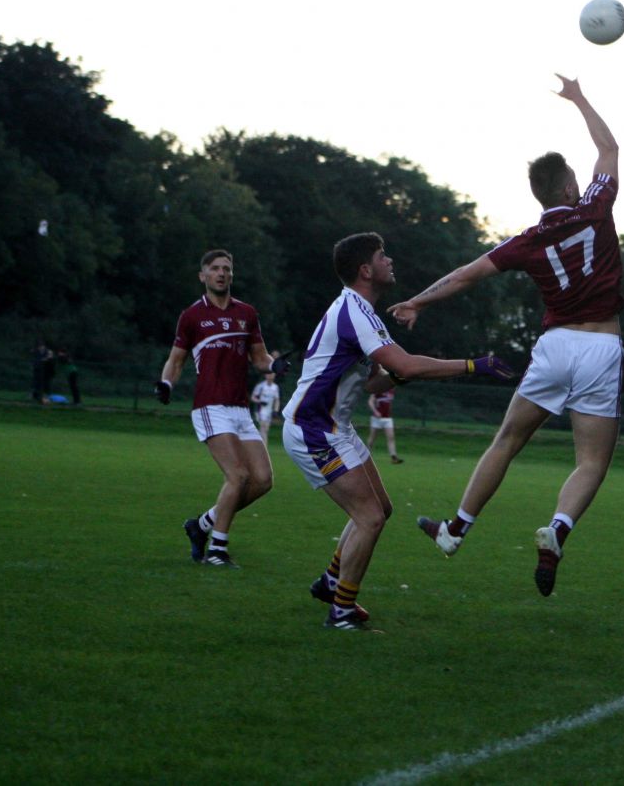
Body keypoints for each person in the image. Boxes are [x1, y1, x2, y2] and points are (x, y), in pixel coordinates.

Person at [389, 74, 622, 597]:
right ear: (568, 187)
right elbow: (608, 146)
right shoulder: (596, 207)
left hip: (555, 345)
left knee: (507, 441)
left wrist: (417, 301)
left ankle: (456, 531)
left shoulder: (527, 241)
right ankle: (557, 530)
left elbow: (465, 275)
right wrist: (579, 98)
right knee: (590, 461)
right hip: (601, 347)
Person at [282, 232, 515, 630]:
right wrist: (474, 365)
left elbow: (377, 381)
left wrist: (405, 375)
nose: (390, 261)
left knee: (379, 510)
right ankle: (340, 611)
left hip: (334, 426)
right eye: (382, 256)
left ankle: (331, 582)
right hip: (314, 428)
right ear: (365, 270)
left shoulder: (360, 311)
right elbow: (404, 366)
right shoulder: (354, 311)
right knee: (369, 517)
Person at [159, 249, 288, 568]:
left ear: (232, 275)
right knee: (239, 475)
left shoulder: (247, 313)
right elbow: (176, 361)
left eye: (226, 269)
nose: (221, 273)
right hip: (209, 406)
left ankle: (201, 525)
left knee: (262, 480)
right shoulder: (191, 316)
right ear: (203, 276)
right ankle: (217, 548)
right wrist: (166, 384)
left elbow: (259, 359)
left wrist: (275, 365)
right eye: (215, 269)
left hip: (240, 410)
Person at [366, 388, 403, 464]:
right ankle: (366, 456)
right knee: (372, 438)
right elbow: (370, 401)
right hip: (377, 418)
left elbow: (388, 404)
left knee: (391, 437)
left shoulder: (391, 391)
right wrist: (375, 411)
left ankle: (394, 457)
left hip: (387, 418)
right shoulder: (378, 388)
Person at [250, 370, 281, 445]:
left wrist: (275, 411)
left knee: (265, 430)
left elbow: (277, 400)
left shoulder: (275, 387)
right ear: (265, 375)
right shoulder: (260, 386)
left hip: (269, 411)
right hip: (260, 410)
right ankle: (264, 447)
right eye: (269, 374)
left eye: (272, 374)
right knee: (263, 428)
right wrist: (260, 401)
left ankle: (258, 445)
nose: (270, 376)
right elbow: (253, 397)